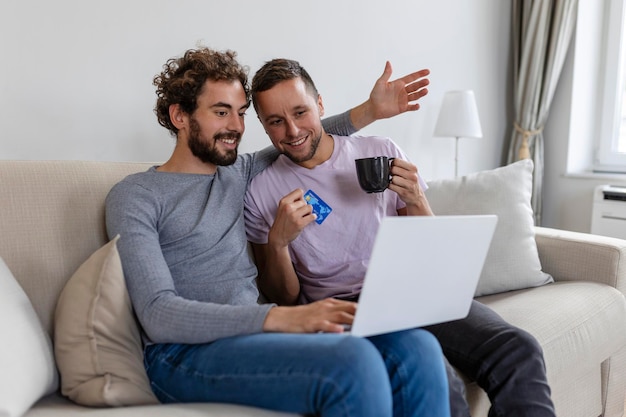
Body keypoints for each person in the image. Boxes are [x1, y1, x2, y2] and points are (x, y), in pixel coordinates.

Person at [105, 47, 450, 417]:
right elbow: (157, 314)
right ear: (180, 116)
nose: (236, 127)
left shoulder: (238, 173)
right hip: (181, 353)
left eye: (240, 114)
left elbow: (303, 136)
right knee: (353, 362)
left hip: (254, 338)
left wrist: (370, 111)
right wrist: (279, 317)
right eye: (221, 112)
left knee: (417, 348)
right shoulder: (136, 195)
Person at [243, 58, 557, 417]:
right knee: (441, 379)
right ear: (264, 127)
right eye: (276, 122)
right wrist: (279, 242)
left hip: (412, 289)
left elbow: (430, 248)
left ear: (320, 105)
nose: (293, 130)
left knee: (518, 347)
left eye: (301, 112)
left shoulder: (379, 151)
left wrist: (417, 199)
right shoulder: (261, 191)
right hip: (347, 309)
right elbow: (283, 296)